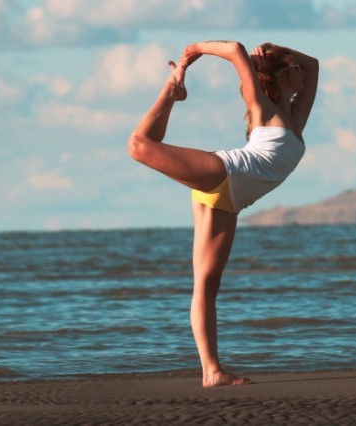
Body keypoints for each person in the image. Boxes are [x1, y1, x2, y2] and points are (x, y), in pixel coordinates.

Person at [128, 41, 318, 387]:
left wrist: (281, 50)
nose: (303, 75)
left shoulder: (296, 116)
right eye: (295, 70)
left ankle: (211, 371)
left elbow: (315, 64)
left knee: (206, 284)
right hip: (225, 173)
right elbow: (235, 49)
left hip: (230, 199)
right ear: (284, 73)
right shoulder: (262, 107)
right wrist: (196, 50)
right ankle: (171, 90)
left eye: (298, 69)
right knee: (140, 146)